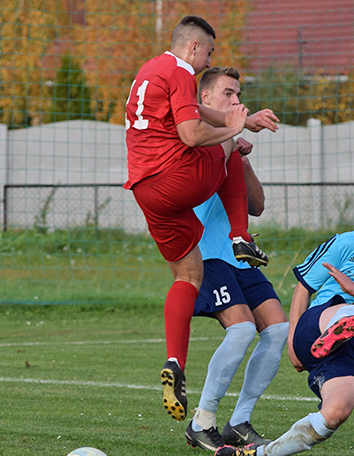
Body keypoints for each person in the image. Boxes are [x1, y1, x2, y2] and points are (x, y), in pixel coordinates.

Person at [124, 16, 279, 422]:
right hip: (174, 178)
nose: (210, 57)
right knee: (230, 147)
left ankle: (174, 361)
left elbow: (198, 118)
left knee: (185, 276)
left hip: (147, 192)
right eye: (209, 50)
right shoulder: (179, 71)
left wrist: (239, 123)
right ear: (194, 47)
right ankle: (240, 235)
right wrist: (236, 129)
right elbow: (192, 134)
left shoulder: (148, 70)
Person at [214, 197, 354, 456]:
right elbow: (304, 288)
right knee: (350, 308)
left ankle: (260, 454)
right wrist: (292, 343)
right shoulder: (348, 243)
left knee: (336, 413)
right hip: (316, 325)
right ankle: (347, 319)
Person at [183, 67, 289, 451]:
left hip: (240, 258)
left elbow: (257, 206)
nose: (236, 101)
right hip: (207, 255)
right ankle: (203, 420)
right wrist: (230, 140)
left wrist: (242, 162)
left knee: (277, 331)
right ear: (206, 100)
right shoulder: (194, 138)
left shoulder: (232, 148)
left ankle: (239, 422)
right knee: (242, 330)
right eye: (228, 94)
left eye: (238, 94)